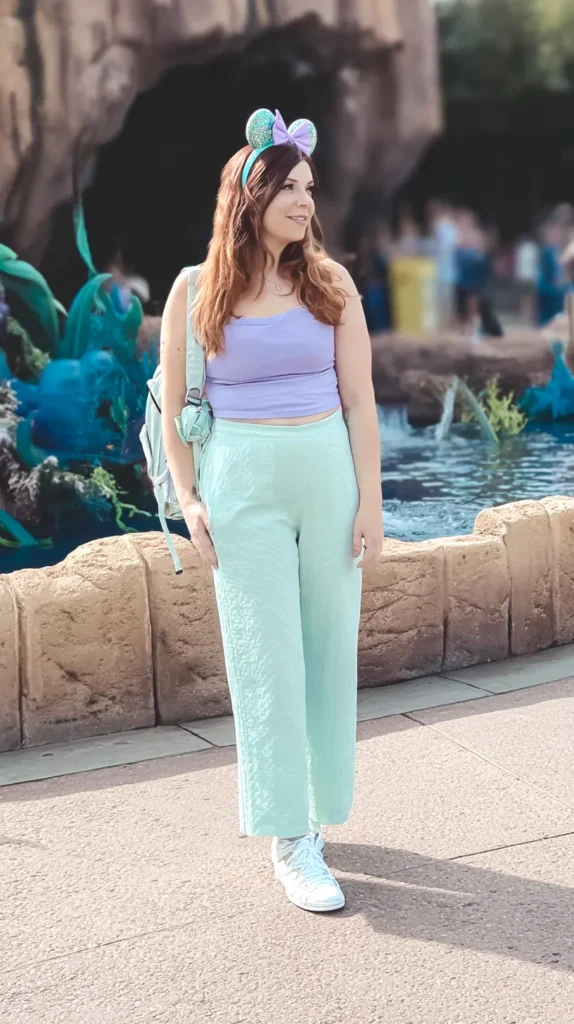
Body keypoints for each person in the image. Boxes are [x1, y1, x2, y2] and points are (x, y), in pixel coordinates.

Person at [160, 108, 383, 913]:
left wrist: (372, 505)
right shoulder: (196, 289)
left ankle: (319, 812)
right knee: (267, 661)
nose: (304, 201)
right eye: (289, 187)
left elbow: (360, 402)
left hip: (327, 477)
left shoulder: (331, 284)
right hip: (241, 487)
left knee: (325, 651)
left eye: (309, 188)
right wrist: (189, 499)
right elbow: (175, 408)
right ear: (250, 194)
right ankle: (290, 839)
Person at [426, 199, 458, 330]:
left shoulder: (441, 226)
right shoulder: (450, 227)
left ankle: (444, 327)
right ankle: (445, 327)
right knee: (445, 304)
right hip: (444, 272)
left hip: (442, 272)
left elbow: (438, 247)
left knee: (442, 304)